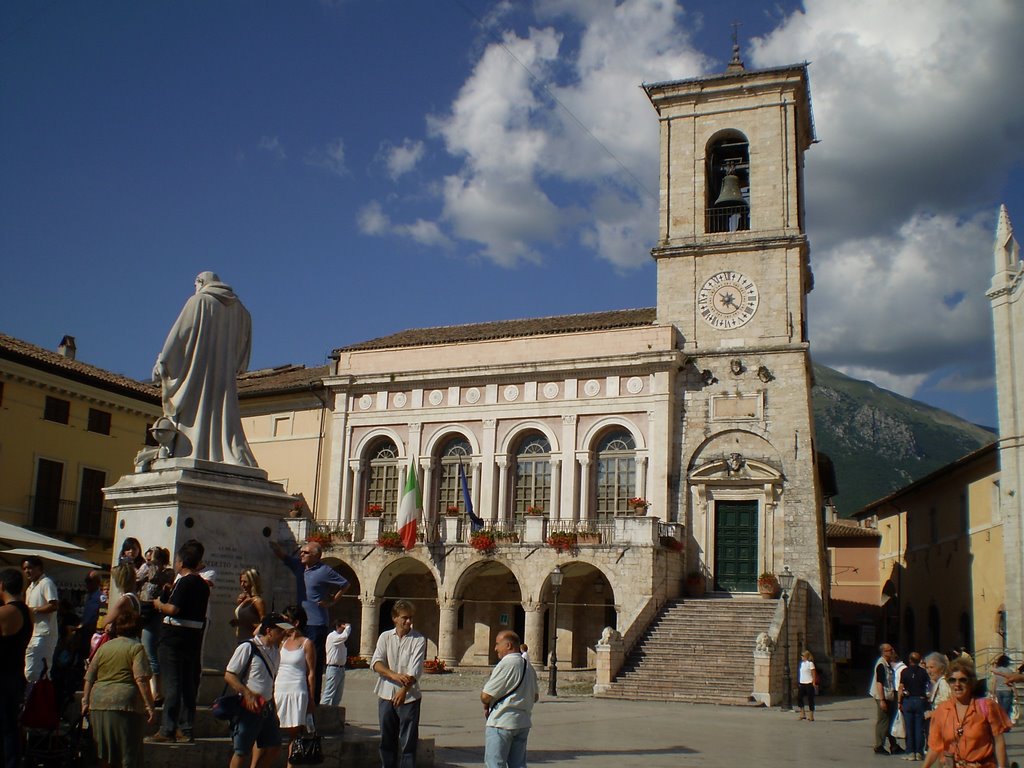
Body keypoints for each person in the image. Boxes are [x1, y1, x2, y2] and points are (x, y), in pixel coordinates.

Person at [153, 270, 257, 466]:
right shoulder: (243, 313)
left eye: (195, 285)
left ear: (200, 282)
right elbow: (243, 353)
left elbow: (178, 337)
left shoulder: (198, 302)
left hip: (197, 375)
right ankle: (223, 454)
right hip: (225, 379)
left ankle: (192, 450)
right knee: (222, 415)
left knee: (196, 411)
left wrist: (163, 363)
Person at [147, 540, 210, 744]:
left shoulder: (184, 581)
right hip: (193, 637)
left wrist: (159, 604)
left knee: (172, 683)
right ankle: (186, 728)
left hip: (173, 636)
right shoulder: (203, 584)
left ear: (181, 562)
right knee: (188, 684)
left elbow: (173, 609)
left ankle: (167, 729)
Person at [270, 540, 349, 700]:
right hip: (300, 622)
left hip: (317, 622)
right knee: (297, 658)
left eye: (306, 552)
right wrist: (272, 544)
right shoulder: (299, 566)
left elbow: (345, 584)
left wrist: (332, 601)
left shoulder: (324, 570)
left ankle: (313, 698)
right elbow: (283, 557)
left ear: (316, 556)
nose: (302, 554)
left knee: (314, 661)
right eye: (302, 551)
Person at [81, 609, 156, 768]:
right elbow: (141, 679)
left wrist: (85, 701)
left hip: (98, 703)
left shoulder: (103, 648)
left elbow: (89, 677)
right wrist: (149, 705)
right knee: (127, 753)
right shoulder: (136, 648)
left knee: (103, 753)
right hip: (126, 705)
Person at [224, 613, 292, 768]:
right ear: (269, 631)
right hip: (248, 707)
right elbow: (229, 675)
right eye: (281, 631)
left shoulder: (275, 652)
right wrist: (247, 693)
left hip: (266, 706)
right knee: (242, 751)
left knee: (274, 747)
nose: (284, 634)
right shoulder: (248, 647)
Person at [921, 658, 1011, 768]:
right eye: (952, 680)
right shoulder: (942, 711)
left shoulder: (987, 707)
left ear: (971, 682)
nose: (957, 684)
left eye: (962, 680)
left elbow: (999, 742)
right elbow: (935, 747)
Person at [371, 600, 427, 768]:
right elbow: (376, 662)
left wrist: (403, 690)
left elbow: (415, 670)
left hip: (409, 697)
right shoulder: (385, 637)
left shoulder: (418, 639)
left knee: (408, 743)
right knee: (386, 740)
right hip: (386, 693)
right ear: (395, 618)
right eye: (405, 618)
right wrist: (394, 675)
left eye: (410, 618)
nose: (408, 621)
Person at [480, 630, 539, 768]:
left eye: (497, 644)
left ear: (508, 645)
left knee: (495, 764)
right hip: (522, 723)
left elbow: (486, 695)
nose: (495, 648)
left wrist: (486, 703)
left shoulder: (507, 664)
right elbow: (535, 696)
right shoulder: (529, 666)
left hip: (502, 722)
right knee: (518, 765)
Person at [275, 605, 316, 765]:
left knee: (294, 735)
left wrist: (311, 699)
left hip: (297, 690)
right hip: (279, 689)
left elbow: (311, 673)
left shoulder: (306, 643)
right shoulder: (281, 642)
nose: (282, 624)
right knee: (272, 732)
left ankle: (290, 764)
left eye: (286, 620)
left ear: (296, 622)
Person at [0, 568, 32, 768]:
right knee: (10, 727)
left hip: (2, 676)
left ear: (2, 585)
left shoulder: (5, 613)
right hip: (15, 674)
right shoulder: (26, 612)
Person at [138, 547, 173, 703]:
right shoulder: (149, 570)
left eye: (151, 559)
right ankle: (151, 690)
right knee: (147, 653)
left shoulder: (166, 573)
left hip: (154, 615)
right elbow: (136, 579)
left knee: (150, 652)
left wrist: (152, 566)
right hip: (145, 612)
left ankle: (157, 692)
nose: (148, 562)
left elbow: (153, 579)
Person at [22, 554, 59, 682]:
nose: (27, 571)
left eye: (30, 568)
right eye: (25, 568)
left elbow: (54, 605)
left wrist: (34, 610)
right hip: (33, 633)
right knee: (30, 670)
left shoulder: (46, 583)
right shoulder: (30, 588)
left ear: (39, 568)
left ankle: (40, 698)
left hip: (44, 634)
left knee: (39, 671)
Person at [871, 642, 903, 755]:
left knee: (889, 721)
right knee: (883, 721)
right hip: (882, 696)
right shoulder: (881, 664)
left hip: (888, 696)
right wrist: (882, 700)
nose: (892, 651)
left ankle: (893, 745)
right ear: (884, 652)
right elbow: (879, 683)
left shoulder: (887, 663)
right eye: (890, 650)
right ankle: (879, 746)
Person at [899, 651, 930, 760]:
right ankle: (919, 752)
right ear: (919, 660)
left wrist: (899, 702)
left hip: (908, 700)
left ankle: (910, 752)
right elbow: (928, 686)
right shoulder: (923, 672)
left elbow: (901, 687)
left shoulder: (904, 672)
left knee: (909, 727)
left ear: (910, 660)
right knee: (919, 728)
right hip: (920, 700)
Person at [321, 618, 352, 707]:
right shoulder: (332, 636)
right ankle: (322, 713)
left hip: (341, 668)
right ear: (338, 626)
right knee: (329, 694)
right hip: (333, 668)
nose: (344, 629)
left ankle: (334, 716)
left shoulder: (339, 639)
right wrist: (348, 627)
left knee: (338, 696)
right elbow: (345, 636)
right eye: (342, 627)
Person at [233, 568, 267, 643]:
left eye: (245, 582)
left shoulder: (258, 601)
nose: (242, 585)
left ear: (252, 582)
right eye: (241, 581)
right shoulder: (243, 599)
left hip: (251, 641)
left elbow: (264, 624)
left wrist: (249, 623)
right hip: (241, 639)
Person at [923, 652, 952, 741]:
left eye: (932, 667)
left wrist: (932, 713)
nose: (929, 671)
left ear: (941, 668)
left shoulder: (943, 683)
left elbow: (948, 704)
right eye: (927, 668)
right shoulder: (938, 682)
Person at [989, 654, 1014, 719]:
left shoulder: (996, 671)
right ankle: (1005, 723)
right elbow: (1012, 683)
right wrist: (1016, 694)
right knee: (1006, 709)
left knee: (1001, 708)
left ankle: (1002, 722)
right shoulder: (1009, 671)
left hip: (998, 691)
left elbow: (994, 682)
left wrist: (993, 692)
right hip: (1007, 690)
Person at [797, 649, 817, 721]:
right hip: (802, 682)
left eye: (802, 656)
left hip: (809, 682)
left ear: (806, 656)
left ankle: (811, 715)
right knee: (799, 697)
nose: (801, 657)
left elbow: (813, 673)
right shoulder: (802, 664)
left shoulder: (810, 663)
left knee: (810, 699)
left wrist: (814, 682)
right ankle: (802, 713)